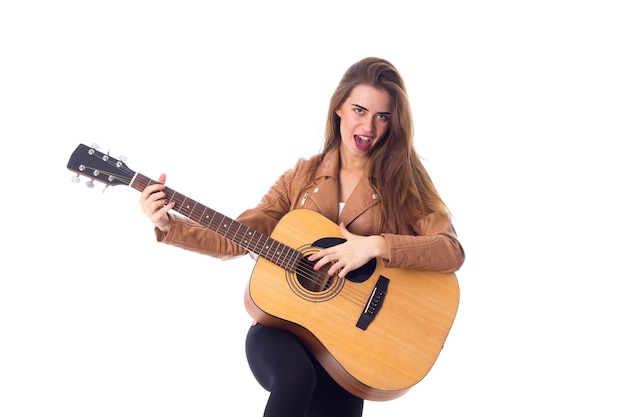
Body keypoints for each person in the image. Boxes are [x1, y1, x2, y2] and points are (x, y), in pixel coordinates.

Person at [138, 57, 465, 417]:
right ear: (339, 108)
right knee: (296, 378)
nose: (368, 125)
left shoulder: (405, 185)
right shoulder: (301, 177)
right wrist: (171, 227)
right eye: (359, 110)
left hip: (352, 346)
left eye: (382, 116)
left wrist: (375, 245)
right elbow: (240, 236)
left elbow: (450, 250)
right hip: (282, 330)